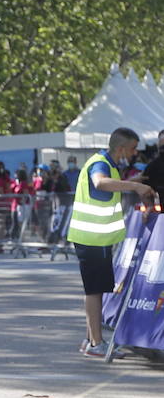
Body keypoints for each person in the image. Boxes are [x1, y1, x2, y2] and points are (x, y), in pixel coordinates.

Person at [66, 127, 156, 358]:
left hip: (95, 238)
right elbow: (99, 183)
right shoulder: (101, 164)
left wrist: (130, 181)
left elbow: (108, 185)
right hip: (91, 238)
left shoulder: (109, 165)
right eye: (134, 148)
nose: (135, 153)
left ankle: (90, 340)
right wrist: (134, 186)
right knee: (94, 291)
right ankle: (96, 344)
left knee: (96, 290)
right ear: (121, 148)